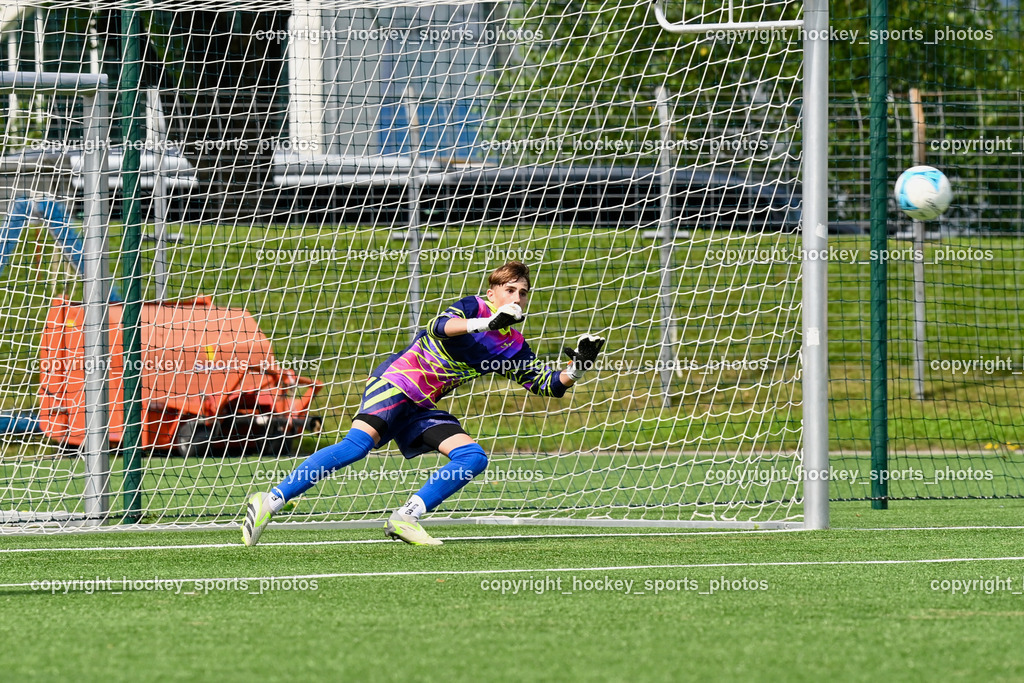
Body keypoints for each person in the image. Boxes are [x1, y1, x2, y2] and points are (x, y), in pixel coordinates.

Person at [242, 261, 605, 546]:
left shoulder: (512, 344)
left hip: (424, 404)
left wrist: (580, 367)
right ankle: (270, 501)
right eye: (509, 289)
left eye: (523, 293)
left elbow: (547, 385)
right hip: (397, 382)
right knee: (356, 447)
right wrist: (485, 322)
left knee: (473, 457)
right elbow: (438, 328)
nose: (517, 297)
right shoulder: (473, 308)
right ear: (492, 293)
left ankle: (407, 516)